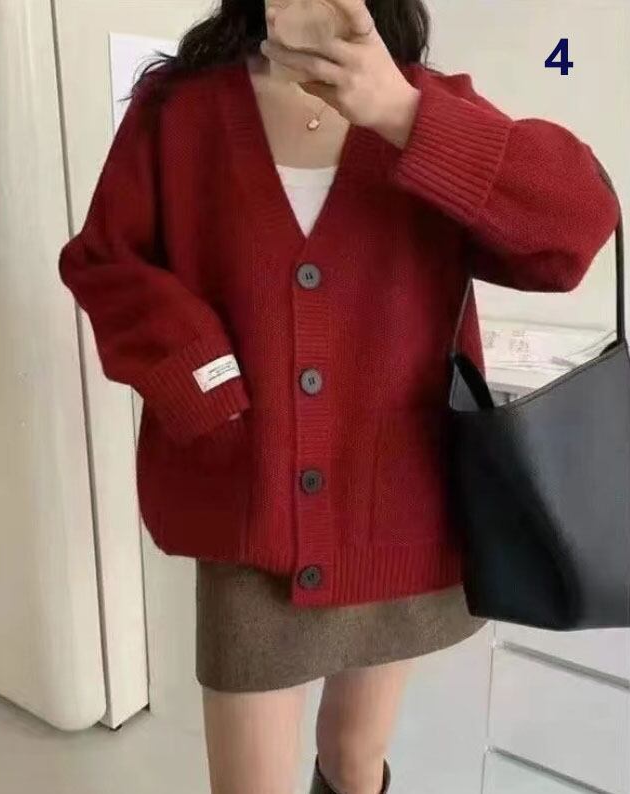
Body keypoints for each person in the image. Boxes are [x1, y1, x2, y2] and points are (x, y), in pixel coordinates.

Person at [57, 1, 619, 792]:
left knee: (354, 761)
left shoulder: (427, 104)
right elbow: (106, 261)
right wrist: (201, 379)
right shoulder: (179, 109)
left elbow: (576, 224)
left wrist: (400, 113)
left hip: (399, 508)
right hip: (254, 518)